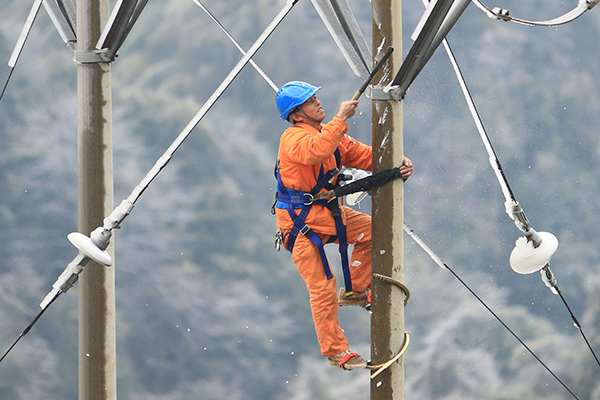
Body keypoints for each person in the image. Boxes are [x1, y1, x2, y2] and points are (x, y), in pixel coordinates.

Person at [273, 81, 413, 370]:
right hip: (300, 227)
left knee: (376, 230)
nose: (317, 103)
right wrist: (340, 119)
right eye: (310, 101)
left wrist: (398, 162)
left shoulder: (330, 134)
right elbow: (317, 152)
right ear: (296, 115)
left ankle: (357, 289)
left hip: (327, 215)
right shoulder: (293, 139)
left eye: (315, 98)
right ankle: (336, 351)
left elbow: (365, 156)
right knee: (322, 288)